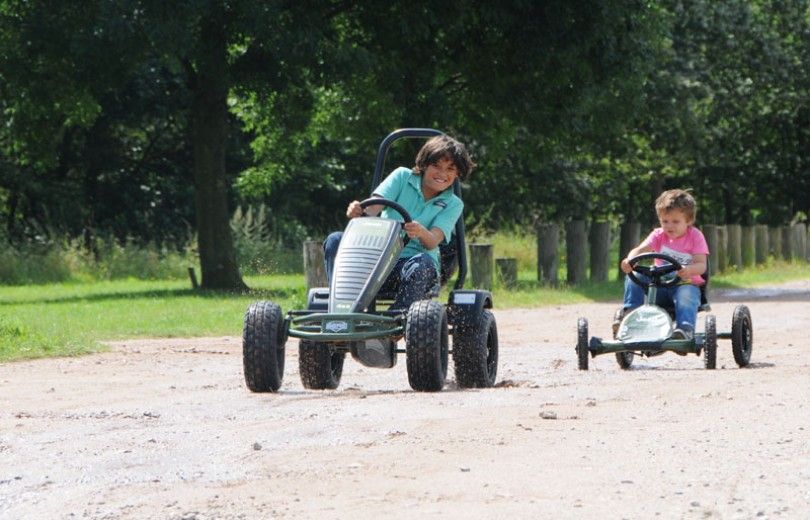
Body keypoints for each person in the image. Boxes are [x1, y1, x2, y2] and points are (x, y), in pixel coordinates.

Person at [323, 134, 474, 310]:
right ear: (424, 164)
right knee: (335, 240)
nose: (442, 174)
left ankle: (397, 319)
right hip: (378, 259)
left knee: (422, 263)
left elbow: (433, 241)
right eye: (436, 166)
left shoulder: (453, 203)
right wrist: (358, 211)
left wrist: (420, 231)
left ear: (458, 174)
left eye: (450, 169)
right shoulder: (402, 176)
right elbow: (371, 210)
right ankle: (341, 307)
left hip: (412, 265)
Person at [617, 189, 709, 340]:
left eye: (675, 221)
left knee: (686, 294)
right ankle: (630, 315)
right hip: (657, 287)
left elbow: (701, 265)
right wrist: (630, 260)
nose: (669, 226)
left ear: (689, 220)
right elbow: (640, 249)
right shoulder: (658, 235)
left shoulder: (695, 236)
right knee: (634, 274)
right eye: (665, 221)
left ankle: (684, 329)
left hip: (684, 284)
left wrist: (689, 270)